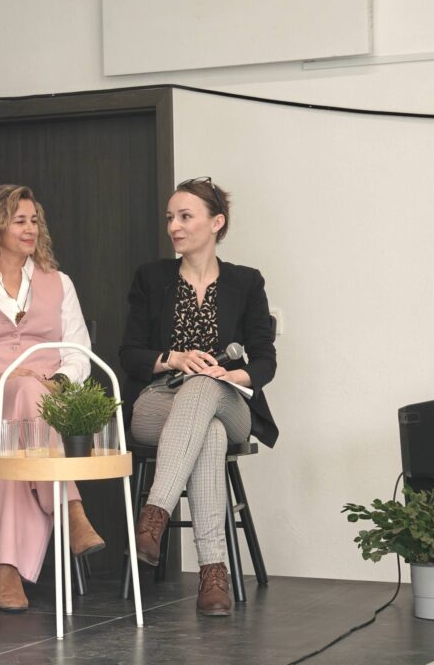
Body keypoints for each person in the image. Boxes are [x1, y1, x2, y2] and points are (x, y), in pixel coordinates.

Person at [0, 184, 104, 612]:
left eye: (34, 221)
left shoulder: (59, 283)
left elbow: (78, 354)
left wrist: (56, 383)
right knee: (22, 396)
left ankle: (6, 568)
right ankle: (70, 508)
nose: (30, 229)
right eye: (19, 220)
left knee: (17, 442)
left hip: (46, 403)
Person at [119, 176, 277, 616]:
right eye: (170, 217)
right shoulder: (151, 278)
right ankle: (213, 574)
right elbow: (129, 354)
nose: (174, 226)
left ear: (216, 222)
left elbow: (265, 360)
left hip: (229, 401)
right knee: (207, 434)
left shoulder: (246, 282)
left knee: (205, 386)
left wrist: (230, 373)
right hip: (159, 401)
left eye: (185, 216)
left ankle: (154, 515)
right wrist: (173, 358)